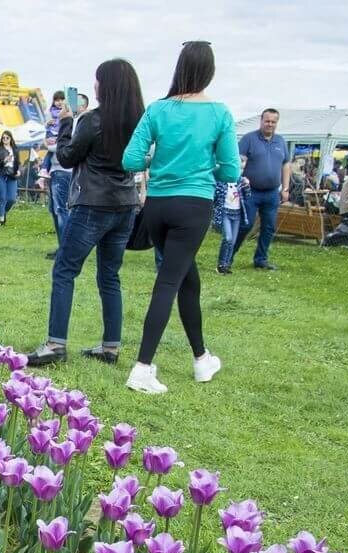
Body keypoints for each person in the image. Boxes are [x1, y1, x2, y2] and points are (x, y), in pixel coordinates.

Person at [119, 41, 238, 394]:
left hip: (157, 206)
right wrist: (202, 167)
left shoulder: (158, 110)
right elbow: (230, 169)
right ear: (210, 71)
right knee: (169, 282)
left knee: (187, 280)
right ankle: (142, 368)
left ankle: (202, 359)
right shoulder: (219, 113)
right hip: (193, 205)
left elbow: (130, 160)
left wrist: (160, 162)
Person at [28, 58, 145, 367]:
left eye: (98, 80)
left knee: (65, 269)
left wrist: (66, 123)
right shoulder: (139, 121)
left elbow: (66, 157)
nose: (94, 85)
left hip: (93, 204)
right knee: (109, 275)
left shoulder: (94, 120)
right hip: (125, 204)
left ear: (106, 85)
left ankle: (55, 344)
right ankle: (111, 346)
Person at [232, 107, 288, 270]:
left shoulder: (281, 141)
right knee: (246, 225)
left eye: (273, 122)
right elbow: (239, 161)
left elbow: (286, 164)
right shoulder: (249, 139)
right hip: (251, 191)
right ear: (261, 121)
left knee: (269, 226)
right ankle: (228, 256)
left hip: (272, 193)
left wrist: (285, 188)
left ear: (277, 123)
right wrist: (241, 176)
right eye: (267, 121)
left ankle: (261, 259)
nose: (270, 124)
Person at [213, 177, 251, 273]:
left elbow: (248, 196)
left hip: (237, 214)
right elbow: (215, 197)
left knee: (233, 241)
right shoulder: (221, 181)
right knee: (228, 238)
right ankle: (221, 264)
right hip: (225, 212)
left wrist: (247, 185)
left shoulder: (240, 181)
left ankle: (226, 264)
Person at [0, 130, 20, 226]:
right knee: (2, 197)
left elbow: (17, 163)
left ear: (11, 138)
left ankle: (4, 212)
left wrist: (18, 171)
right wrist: (4, 161)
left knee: (12, 199)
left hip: (12, 175)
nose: (5, 139)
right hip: (0, 175)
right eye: (3, 138)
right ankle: (1, 219)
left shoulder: (15, 150)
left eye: (7, 138)